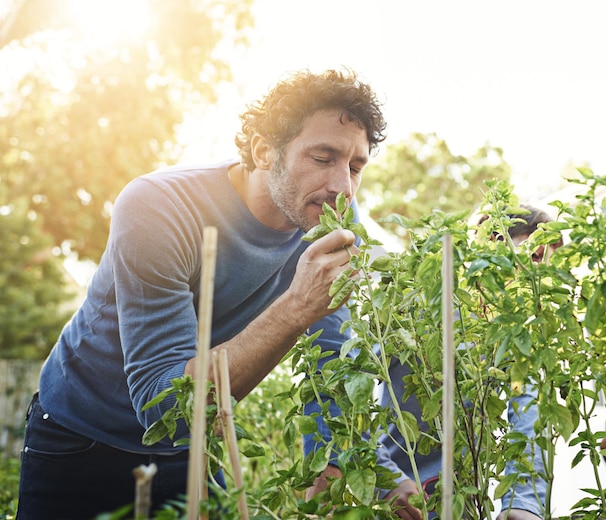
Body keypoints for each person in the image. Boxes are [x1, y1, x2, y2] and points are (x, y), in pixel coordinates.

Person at [16, 67, 387, 520]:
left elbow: (334, 367)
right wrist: (294, 309)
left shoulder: (332, 221)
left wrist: (326, 479)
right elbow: (166, 408)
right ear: (264, 150)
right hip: (81, 438)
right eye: (323, 157)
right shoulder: (159, 207)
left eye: (355, 167)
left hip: (197, 444)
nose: (343, 187)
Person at [305, 205, 562, 520]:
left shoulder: (518, 332)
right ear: (492, 243)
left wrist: (522, 503)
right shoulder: (418, 306)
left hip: (465, 499)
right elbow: (347, 393)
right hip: (398, 498)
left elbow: (526, 417)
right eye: (534, 256)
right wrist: (387, 480)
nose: (542, 270)